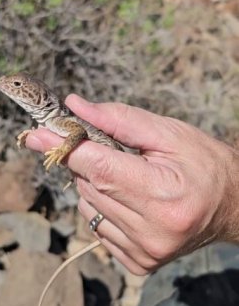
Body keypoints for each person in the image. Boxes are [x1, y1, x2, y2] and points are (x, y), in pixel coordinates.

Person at [26, 94, 239, 276]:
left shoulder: (61, 119)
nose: (11, 86)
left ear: (40, 98)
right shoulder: (53, 119)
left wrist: (227, 209)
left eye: (18, 86)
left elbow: (78, 133)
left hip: (111, 153)